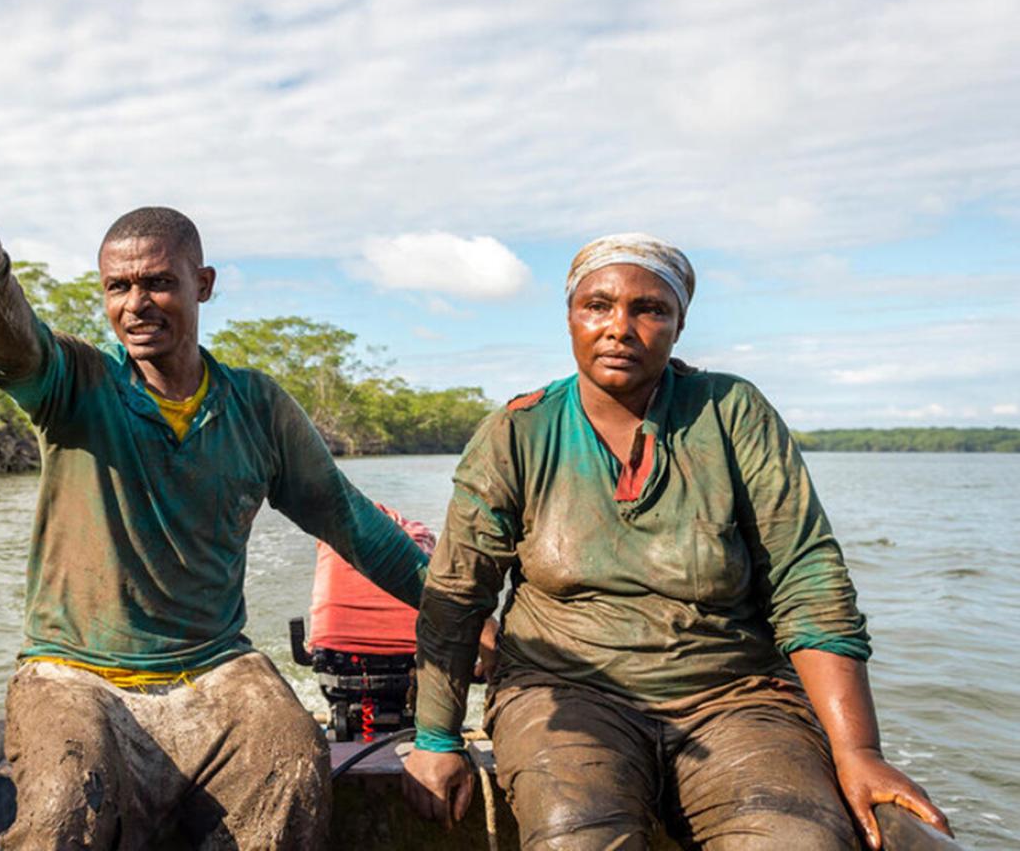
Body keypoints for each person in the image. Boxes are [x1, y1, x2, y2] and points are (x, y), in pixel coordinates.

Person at [0, 168, 431, 850]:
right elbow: (11, 343)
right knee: (59, 810)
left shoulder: (256, 406)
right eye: (118, 287)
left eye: (159, 282)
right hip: (74, 672)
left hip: (216, 668)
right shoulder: (75, 384)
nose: (137, 303)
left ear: (203, 284)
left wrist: (456, 615)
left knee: (293, 761)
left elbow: (353, 525)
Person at [401, 233, 953, 850]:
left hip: (736, 697)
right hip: (564, 692)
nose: (620, 328)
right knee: (575, 838)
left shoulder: (732, 412)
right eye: (598, 306)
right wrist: (437, 740)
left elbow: (808, 577)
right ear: (570, 318)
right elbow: (456, 593)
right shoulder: (518, 432)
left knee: (797, 840)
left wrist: (859, 752)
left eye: (650, 309)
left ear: (679, 325)